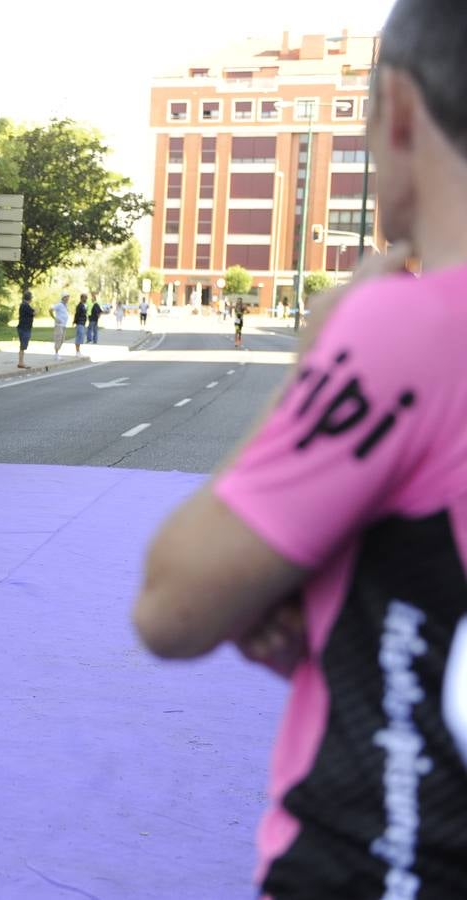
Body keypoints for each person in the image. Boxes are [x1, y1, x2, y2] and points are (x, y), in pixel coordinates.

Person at [134, 2, 467, 893]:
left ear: (396, 110)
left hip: (381, 859)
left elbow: (171, 605)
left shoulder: (411, 330)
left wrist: (322, 351)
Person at [16, 289, 36, 369]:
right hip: (25, 328)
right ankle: (21, 362)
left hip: (22, 327)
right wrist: (37, 310)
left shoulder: (23, 305)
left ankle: (21, 362)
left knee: (23, 345)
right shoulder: (25, 305)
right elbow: (33, 312)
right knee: (23, 346)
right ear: (30, 298)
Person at [50, 293, 70, 360]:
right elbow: (50, 310)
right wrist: (54, 318)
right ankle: (56, 354)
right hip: (59, 325)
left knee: (62, 340)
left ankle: (57, 353)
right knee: (58, 339)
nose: (68, 299)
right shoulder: (59, 305)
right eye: (66, 297)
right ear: (63, 298)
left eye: (68, 297)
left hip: (64, 325)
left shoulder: (65, 305)